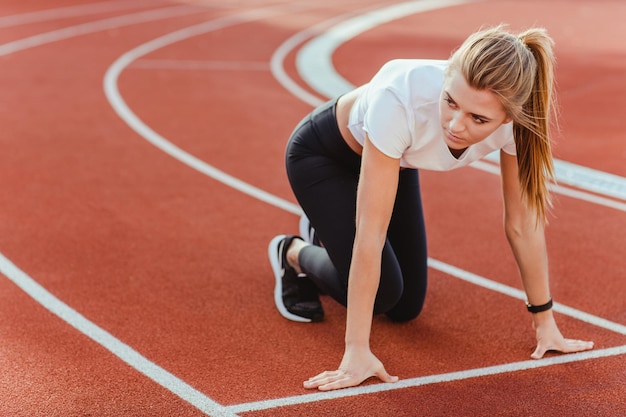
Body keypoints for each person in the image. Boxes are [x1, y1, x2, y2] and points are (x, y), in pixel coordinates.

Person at [267, 25, 594, 391]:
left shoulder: (518, 122)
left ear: (507, 118)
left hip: (397, 161)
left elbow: (522, 223)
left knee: (405, 308)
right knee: (384, 295)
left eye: (478, 119)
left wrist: (544, 321)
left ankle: (327, 229)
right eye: (450, 102)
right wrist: (356, 351)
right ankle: (293, 252)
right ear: (447, 75)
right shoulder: (400, 97)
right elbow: (370, 234)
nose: (455, 125)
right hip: (323, 158)